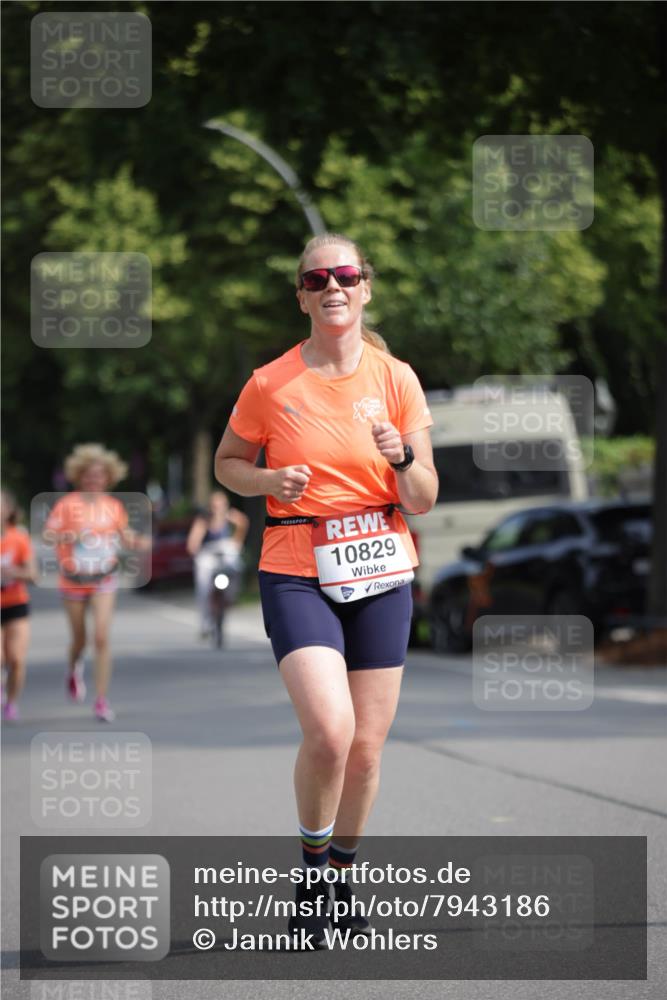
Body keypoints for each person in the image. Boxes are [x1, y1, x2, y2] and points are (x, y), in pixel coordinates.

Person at [214, 233, 437, 945]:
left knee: (366, 749)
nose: (331, 286)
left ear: (365, 288)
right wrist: (264, 481)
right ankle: (311, 870)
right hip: (296, 562)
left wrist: (401, 457)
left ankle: (336, 875)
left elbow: (425, 495)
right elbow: (227, 462)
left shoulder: (396, 378)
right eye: (317, 279)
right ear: (302, 295)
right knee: (330, 732)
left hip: (380, 564)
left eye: (345, 275)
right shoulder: (269, 383)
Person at [43, 444, 150, 722]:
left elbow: (124, 536)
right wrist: (69, 537)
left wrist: (137, 542)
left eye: (99, 475)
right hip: (74, 578)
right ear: (79, 476)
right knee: (80, 639)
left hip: (104, 576)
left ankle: (101, 700)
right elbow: (48, 536)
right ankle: (74, 666)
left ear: (108, 478)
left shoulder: (113, 507)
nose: (94, 480)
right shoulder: (68, 505)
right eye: (89, 475)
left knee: (101, 638)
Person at [186, 490, 249, 639]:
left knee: (237, 568)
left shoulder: (231, 517)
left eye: (220, 505)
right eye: (214, 505)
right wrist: (194, 549)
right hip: (208, 553)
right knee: (203, 585)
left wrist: (237, 542)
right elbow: (193, 541)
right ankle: (204, 622)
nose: (217, 508)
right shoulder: (203, 520)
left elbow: (243, 523)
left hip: (226, 550)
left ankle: (232, 596)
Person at [1, 489, 37, 722]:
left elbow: (33, 575)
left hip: (16, 604)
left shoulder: (19, 538)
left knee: (16, 659)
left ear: (9, 509)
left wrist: (14, 572)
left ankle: (11, 702)